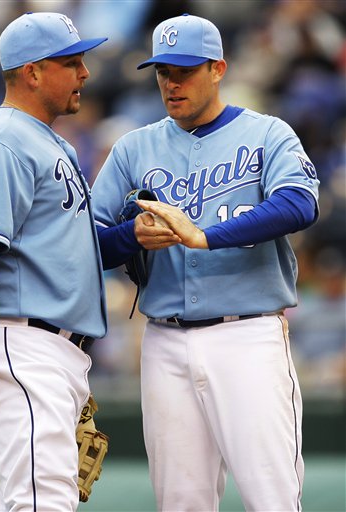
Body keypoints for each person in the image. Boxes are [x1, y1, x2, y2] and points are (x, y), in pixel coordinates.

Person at [92, 13, 320, 512]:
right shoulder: (134, 146)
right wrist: (129, 235)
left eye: (184, 71)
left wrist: (205, 237)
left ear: (218, 68)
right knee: (180, 502)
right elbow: (85, 243)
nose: (171, 84)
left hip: (249, 336)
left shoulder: (267, 133)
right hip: (164, 341)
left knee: (272, 496)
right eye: (162, 73)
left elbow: (300, 204)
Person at [0, 12, 108, 511]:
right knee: (39, 504)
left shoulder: (48, 139)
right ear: (32, 72)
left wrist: (135, 237)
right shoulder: (2, 139)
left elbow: (70, 250)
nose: (85, 73)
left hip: (46, 351)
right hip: (18, 344)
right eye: (72, 62)